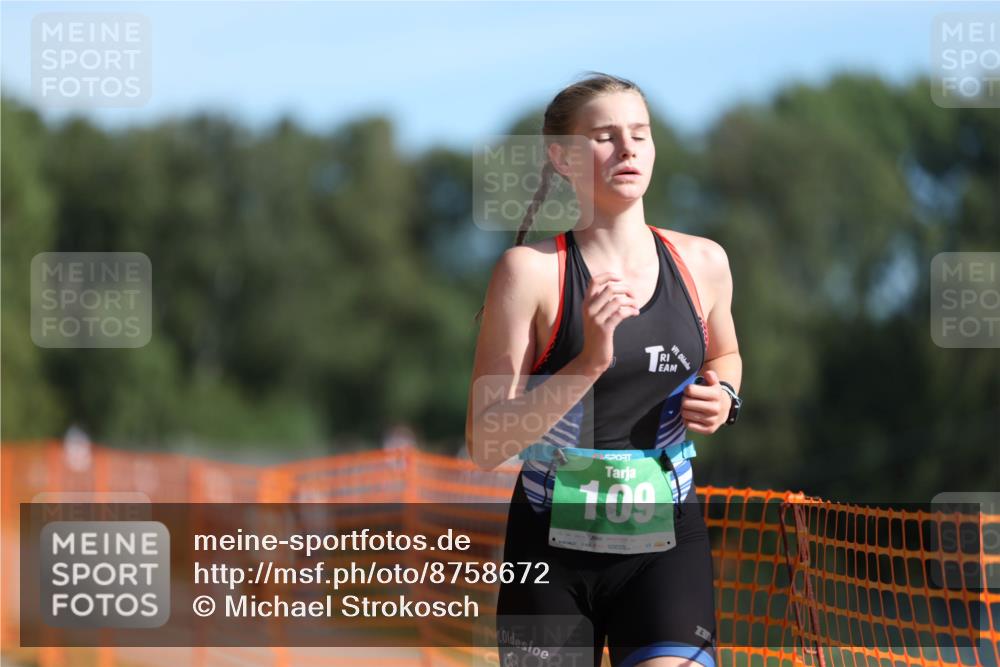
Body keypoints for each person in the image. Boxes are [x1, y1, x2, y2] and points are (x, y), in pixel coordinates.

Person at [465, 72, 743, 667]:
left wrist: (725, 397)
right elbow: (487, 444)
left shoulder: (704, 262)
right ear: (562, 158)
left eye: (640, 134)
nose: (627, 149)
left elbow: (725, 356)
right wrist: (590, 360)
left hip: (667, 542)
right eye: (605, 136)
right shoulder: (529, 273)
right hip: (548, 551)